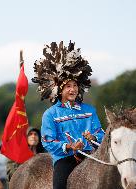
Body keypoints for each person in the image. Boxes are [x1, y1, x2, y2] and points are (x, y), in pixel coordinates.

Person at [32, 41, 105, 189]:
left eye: (75, 85)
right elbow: (48, 142)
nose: (73, 89)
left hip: (92, 156)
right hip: (64, 160)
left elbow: (101, 133)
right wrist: (70, 146)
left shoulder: (89, 110)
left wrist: (93, 138)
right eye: (68, 86)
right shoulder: (50, 114)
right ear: (60, 90)